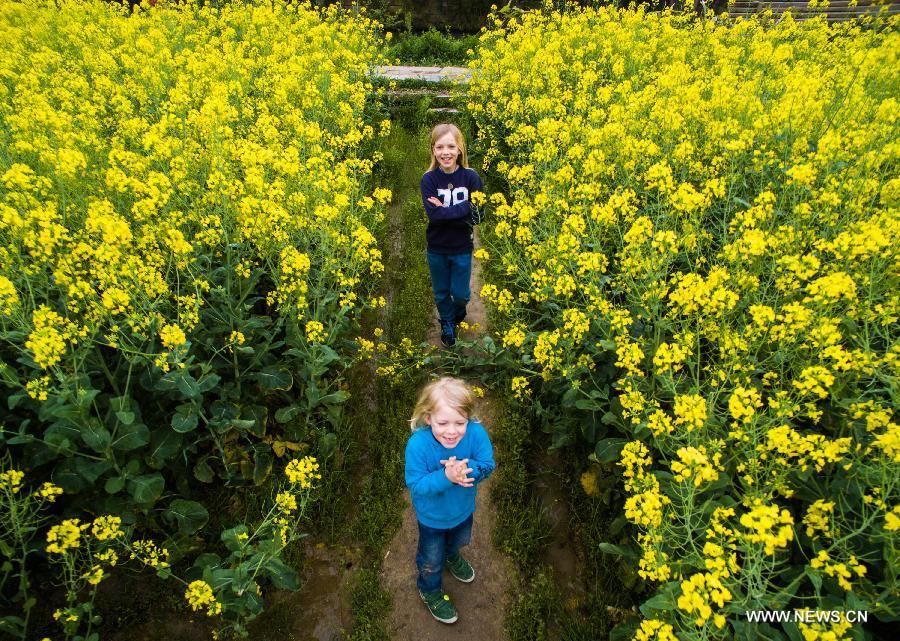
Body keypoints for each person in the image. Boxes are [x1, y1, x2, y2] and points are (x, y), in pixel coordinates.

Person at [405, 377, 495, 624]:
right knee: (431, 560)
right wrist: (446, 477)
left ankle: (452, 555)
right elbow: (416, 485)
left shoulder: (476, 434)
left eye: (460, 422)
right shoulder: (418, 445)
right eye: (442, 422)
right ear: (428, 418)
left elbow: (487, 465)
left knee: (458, 540)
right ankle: (429, 589)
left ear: (468, 418)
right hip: (431, 518)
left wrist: (467, 470)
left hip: (463, 510)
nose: (452, 431)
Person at [420, 123, 484, 347]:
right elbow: (434, 216)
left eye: (450, 146)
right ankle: (447, 322)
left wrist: (445, 210)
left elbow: (478, 216)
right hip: (436, 247)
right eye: (439, 147)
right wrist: (464, 206)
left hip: (461, 248)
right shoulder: (429, 180)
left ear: (460, 150)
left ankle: (457, 310)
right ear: (433, 150)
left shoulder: (471, 178)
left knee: (461, 294)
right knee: (441, 292)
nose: (445, 152)